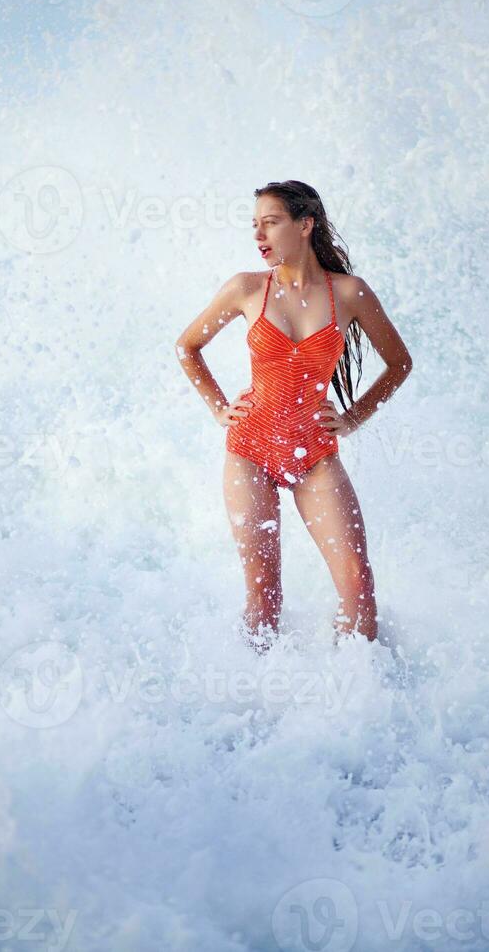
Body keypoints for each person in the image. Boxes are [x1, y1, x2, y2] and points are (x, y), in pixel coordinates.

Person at [174, 180, 413, 653]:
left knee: (360, 592)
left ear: (305, 225)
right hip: (251, 452)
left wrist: (352, 417)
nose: (259, 235)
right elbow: (188, 346)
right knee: (264, 599)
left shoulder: (349, 293)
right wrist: (221, 409)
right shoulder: (247, 288)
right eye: (255, 225)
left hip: (315, 456)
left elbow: (399, 363)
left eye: (271, 222)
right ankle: (256, 701)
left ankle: (359, 699)